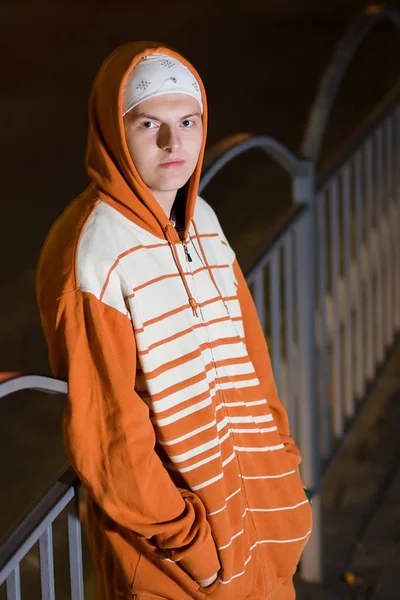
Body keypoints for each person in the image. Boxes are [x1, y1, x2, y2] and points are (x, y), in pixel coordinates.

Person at [36, 42, 312, 600]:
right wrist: (192, 547)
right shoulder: (94, 249)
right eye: (149, 124)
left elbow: (255, 364)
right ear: (114, 131)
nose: (174, 143)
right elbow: (109, 433)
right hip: (181, 569)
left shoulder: (202, 217)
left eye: (188, 121)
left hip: (261, 532)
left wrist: (284, 472)